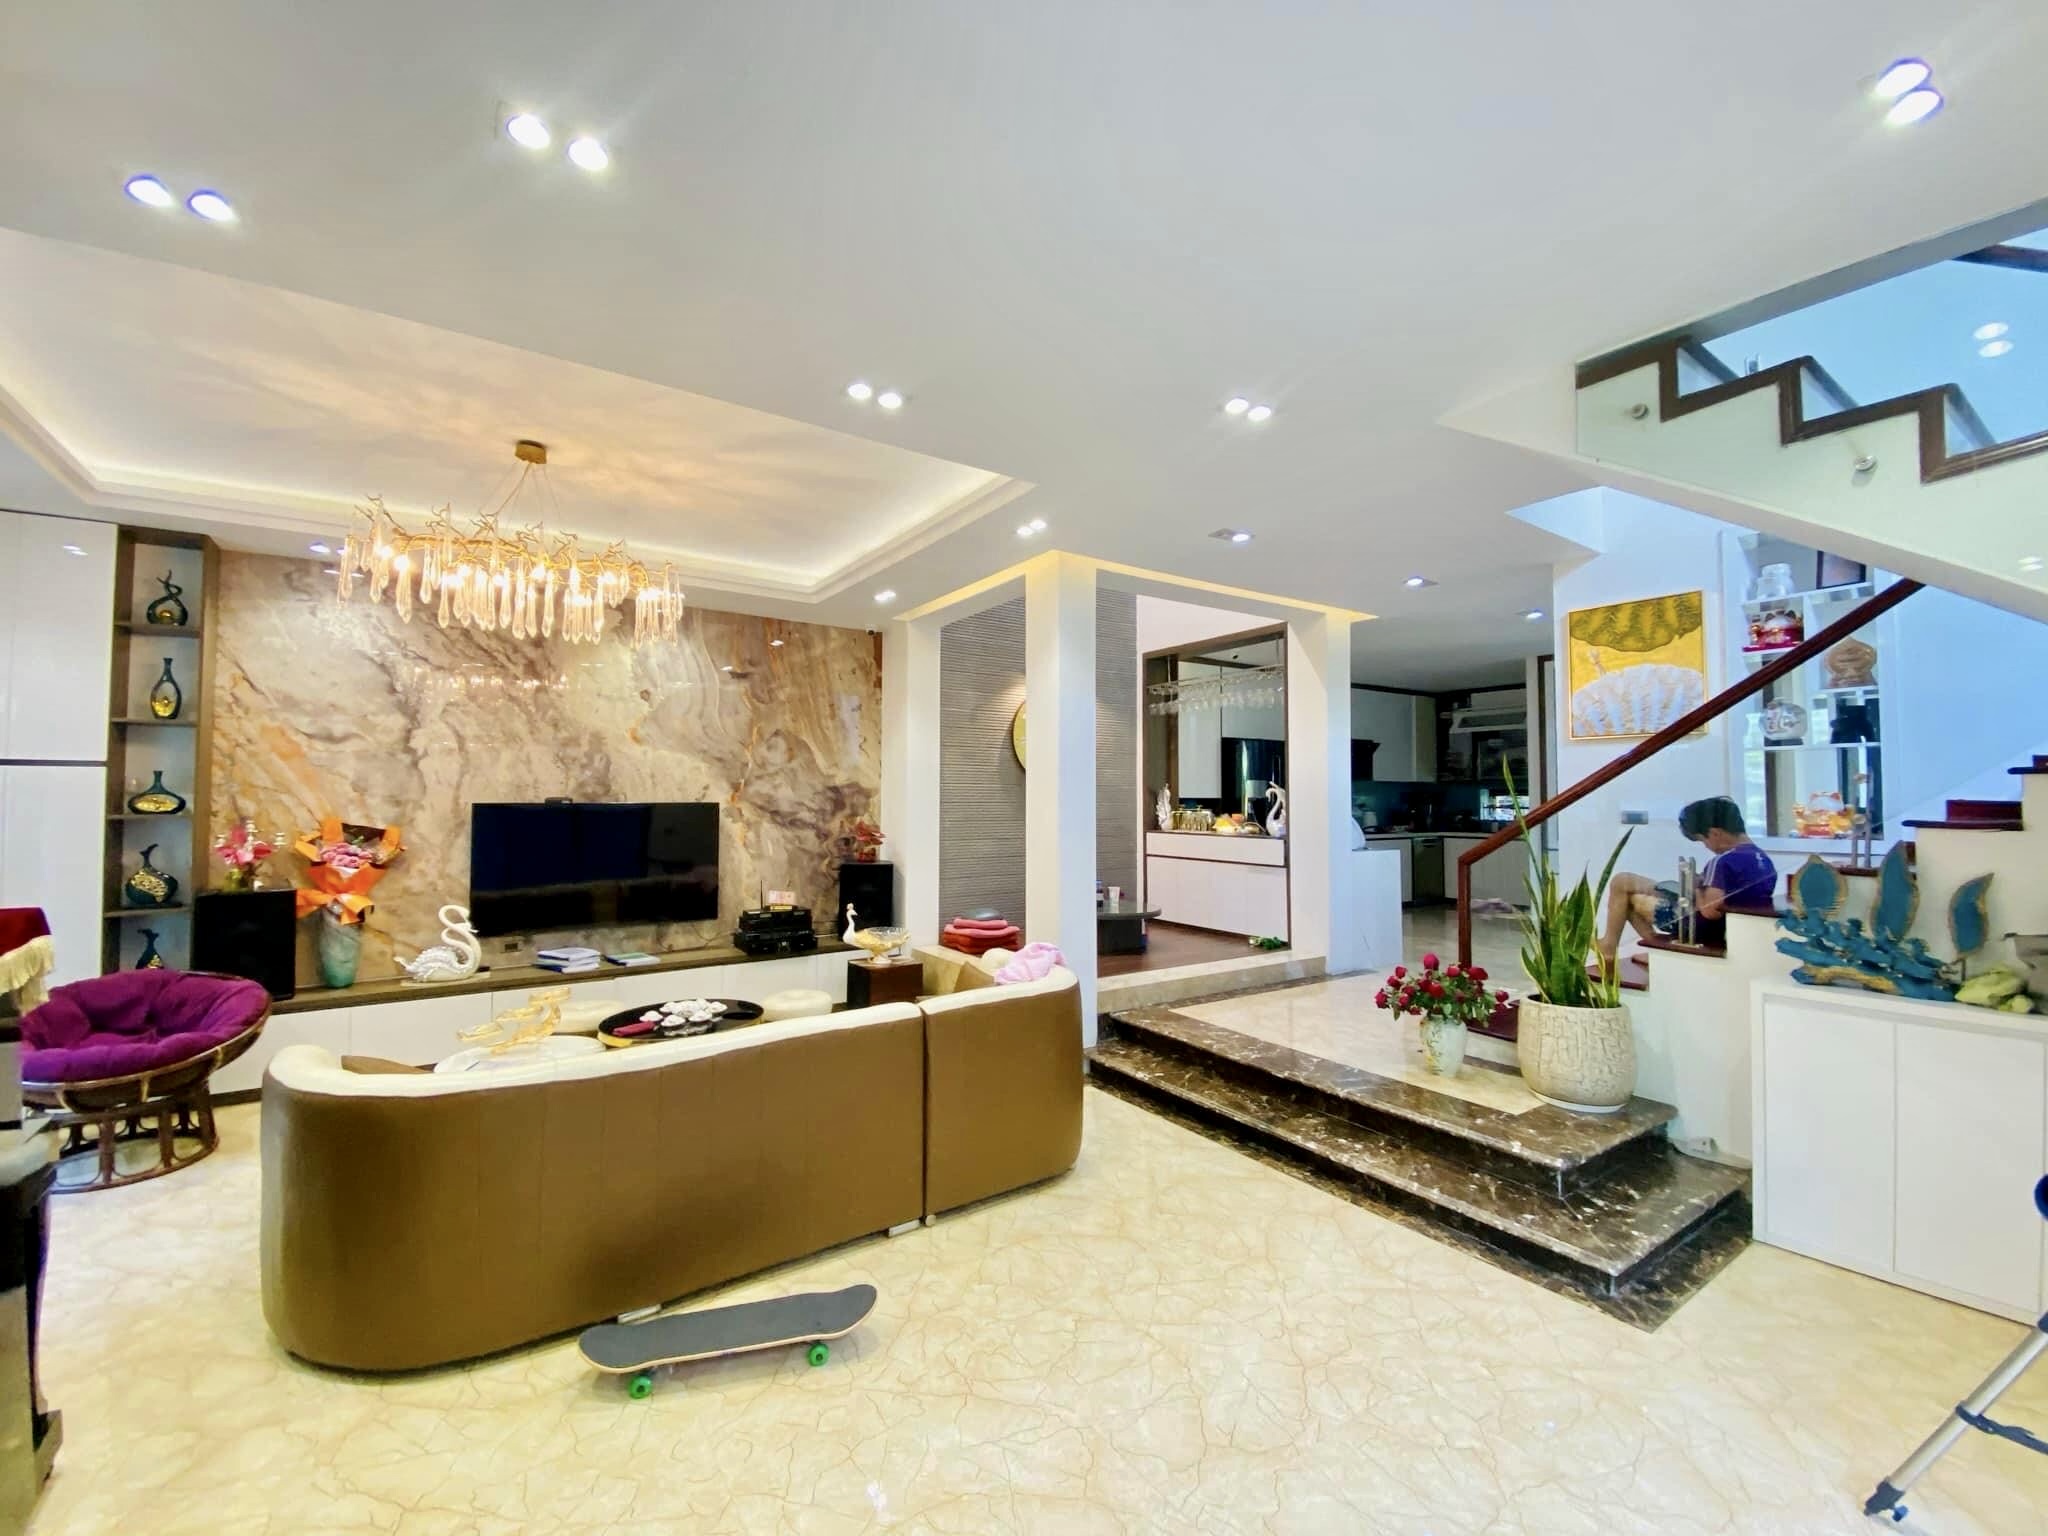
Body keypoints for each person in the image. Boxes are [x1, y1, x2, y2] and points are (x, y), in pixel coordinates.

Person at [1598, 797, 1777, 963]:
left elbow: (1710, 911)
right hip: (1724, 926)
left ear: (1715, 833)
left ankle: (1630, 950)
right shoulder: (1763, 860)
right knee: (1624, 881)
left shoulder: (1721, 861)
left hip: (1694, 925)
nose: (1706, 846)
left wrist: (1696, 885)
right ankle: (1613, 945)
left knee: (1626, 896)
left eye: (1703, 840)